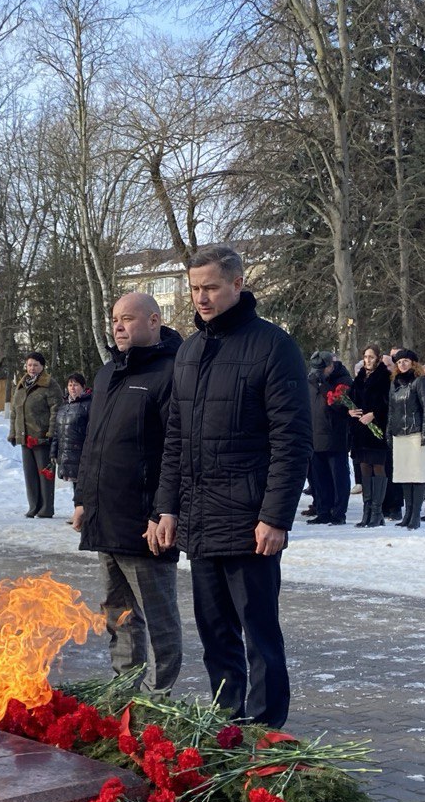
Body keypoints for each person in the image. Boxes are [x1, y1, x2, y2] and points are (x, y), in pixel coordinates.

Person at [155, 245, 311, 728]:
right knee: (215, 635)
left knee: (259, 636)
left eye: (211, 287)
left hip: (249, 522)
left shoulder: (273, 346)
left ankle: (264, 734)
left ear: (238, 284)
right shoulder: (190, 351)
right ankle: (226, 725)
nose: (201, 298)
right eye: (194, 288)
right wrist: (167, 507)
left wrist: (275, 517)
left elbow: (292, 440)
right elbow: (176, 438)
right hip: (201, 520)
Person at [74, 292, 184, 696]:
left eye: (128, 319)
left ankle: (158, 698)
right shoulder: (107, 374)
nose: (118, 327)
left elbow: (176, 451)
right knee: (118, 615)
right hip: (105, 517)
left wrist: (163, 511)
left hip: (144, 523)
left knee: (158, 619)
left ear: (154, 321)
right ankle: (124, 691)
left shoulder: (171, 372)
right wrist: (83, 499)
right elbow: (93, 443)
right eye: (115, 319)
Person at [8, 351, 60, 518]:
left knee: (45, 474)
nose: (32, 368)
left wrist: (51, 432)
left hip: (42, 437)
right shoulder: (21, 385)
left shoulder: (49, 384)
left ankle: (46, 508)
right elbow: (14, 411)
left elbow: (56, 409)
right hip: (25, 436)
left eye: (35, 365)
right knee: (30, 474)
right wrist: (13, 433)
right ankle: (33, 506)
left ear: (42, 366)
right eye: (29, 365)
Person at [387, 350, 425, 529]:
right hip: (399, 433)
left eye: (405, 361)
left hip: (415, 432)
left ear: (413, 363)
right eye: (399, 362)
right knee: (404, 474)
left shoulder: (420, 381)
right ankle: (408, 513)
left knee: (417, 474)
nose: (402, 365)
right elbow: (391, 410)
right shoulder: (395, 383)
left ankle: (416, 515)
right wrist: (389, 431)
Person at [306, 350, 353, 524]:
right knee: (319, 477)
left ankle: (339, 512)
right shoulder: (311, 381)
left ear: (331, 366)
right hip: (314, 434)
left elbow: (340, 406)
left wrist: (324, 385)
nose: (318, 372)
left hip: (335, 435)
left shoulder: (343, 380)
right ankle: (323, 510)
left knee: (338, 476)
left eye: (322, 369)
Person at [348, 345, 391, 528]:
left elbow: (388, 403)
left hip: (377, 429)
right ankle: (367, 511)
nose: (368, 360)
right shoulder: (359, 377)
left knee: (378, 467)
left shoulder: (385, 377)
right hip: (360, 430)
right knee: (364, 467)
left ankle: (377, 511)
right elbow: (352, 399)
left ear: (378, 358)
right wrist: (350, 411)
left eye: (371, 357)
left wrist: (374, 414)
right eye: (365, 357)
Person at [52, 372, 92, 513]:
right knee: (75, 483)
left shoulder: (89, 404)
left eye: (76, 385)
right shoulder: (64, 406)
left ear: (83, 387)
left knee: (83, 483)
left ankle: (84, 512)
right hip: (67, 450)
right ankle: (78, 511)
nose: (72, 388)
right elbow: (57, 431)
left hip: (81, 450)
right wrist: (54, 451)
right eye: (70, 385)